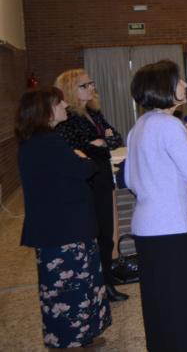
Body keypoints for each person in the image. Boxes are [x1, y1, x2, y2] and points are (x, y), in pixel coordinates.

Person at [126, 60, 187, 352]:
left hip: (145, 226)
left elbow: (130, 179)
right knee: (185, 301)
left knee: (160, 300)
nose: (185, 84)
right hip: (171, 227)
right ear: (163, 87)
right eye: (179, 80)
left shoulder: (139, 126)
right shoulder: (169, 125)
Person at [16, 87, 112, 350]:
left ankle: (83, 337)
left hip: (65, 227)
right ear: (46, 110)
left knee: (83, 284)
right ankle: (70, 342)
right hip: (62, 231)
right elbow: (84, 169)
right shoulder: (47, 143)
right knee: (70, 290)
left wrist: (81, 157)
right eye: (59, 102)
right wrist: (84, 156)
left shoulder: (38, 141)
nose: (65, 105)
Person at [54, 69, 128, 303]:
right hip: (86, 182)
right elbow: (72, 150)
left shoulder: (93, 113)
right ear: (70, 90)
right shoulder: (67, 118)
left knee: (106, 234)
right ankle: (99, 285)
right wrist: (98, 143)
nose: (91, 87)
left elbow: (116, 138)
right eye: (85, 85)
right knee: (94, 235)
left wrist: (100, 142)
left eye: (91, 83)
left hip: (103, 176)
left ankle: (107, 280)